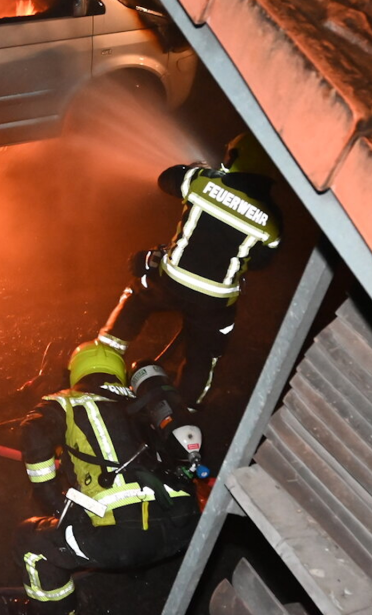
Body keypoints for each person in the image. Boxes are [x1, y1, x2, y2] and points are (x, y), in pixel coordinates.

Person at [10, 341, 200, 615]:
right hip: (185, 528)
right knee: (141, 528)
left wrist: (53, 500)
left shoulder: (66, 401)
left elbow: (33, 432)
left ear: (76, 372)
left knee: (29, 541)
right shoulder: (149, 404)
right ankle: (140, 563)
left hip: (122, 539)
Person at [101, 132, 282, 408]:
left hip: (171, 282)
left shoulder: (202, 181)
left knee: (138, 295)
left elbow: (166, 179)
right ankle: (185, 409)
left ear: (234, 157)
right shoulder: (273, 220)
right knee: (204, 356)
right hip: (216, 301)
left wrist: (195, 169)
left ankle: (103, 362)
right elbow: (260, 262)